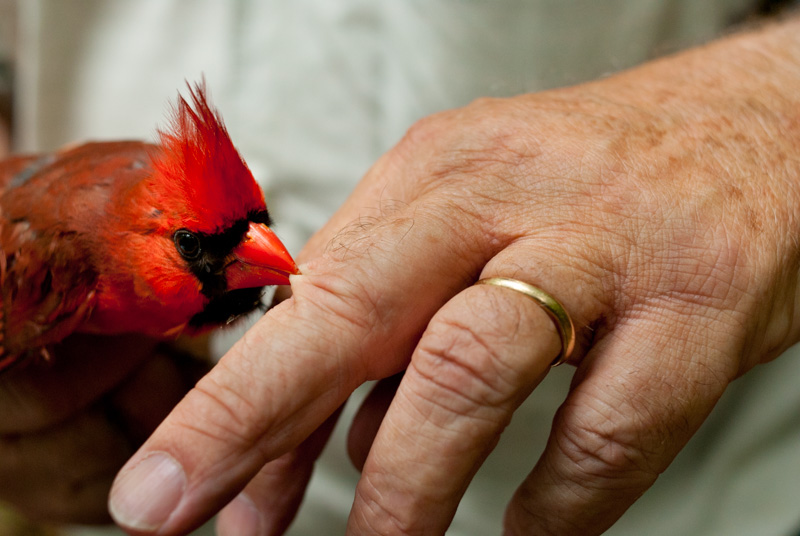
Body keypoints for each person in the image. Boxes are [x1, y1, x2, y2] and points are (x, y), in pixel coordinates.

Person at [3, 1, 800, 535]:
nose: (264, 256)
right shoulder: (53, 274)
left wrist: (762, 118)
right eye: (211, 247)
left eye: (254, 230)